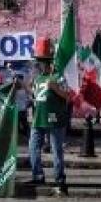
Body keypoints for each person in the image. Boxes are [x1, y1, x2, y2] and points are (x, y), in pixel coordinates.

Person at [28, 37, 70, 193]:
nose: (37, 64)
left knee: (56, 149)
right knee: (33, 147)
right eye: (37, 62)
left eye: (40, 62)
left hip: (54, 118)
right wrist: (22, 86)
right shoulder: (38, 79)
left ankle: (59, 178)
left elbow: (68, 96)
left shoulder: (58, 77)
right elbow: (35, 97)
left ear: (47, 62)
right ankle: (37, 175)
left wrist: (55, 88)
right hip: (38, 118)